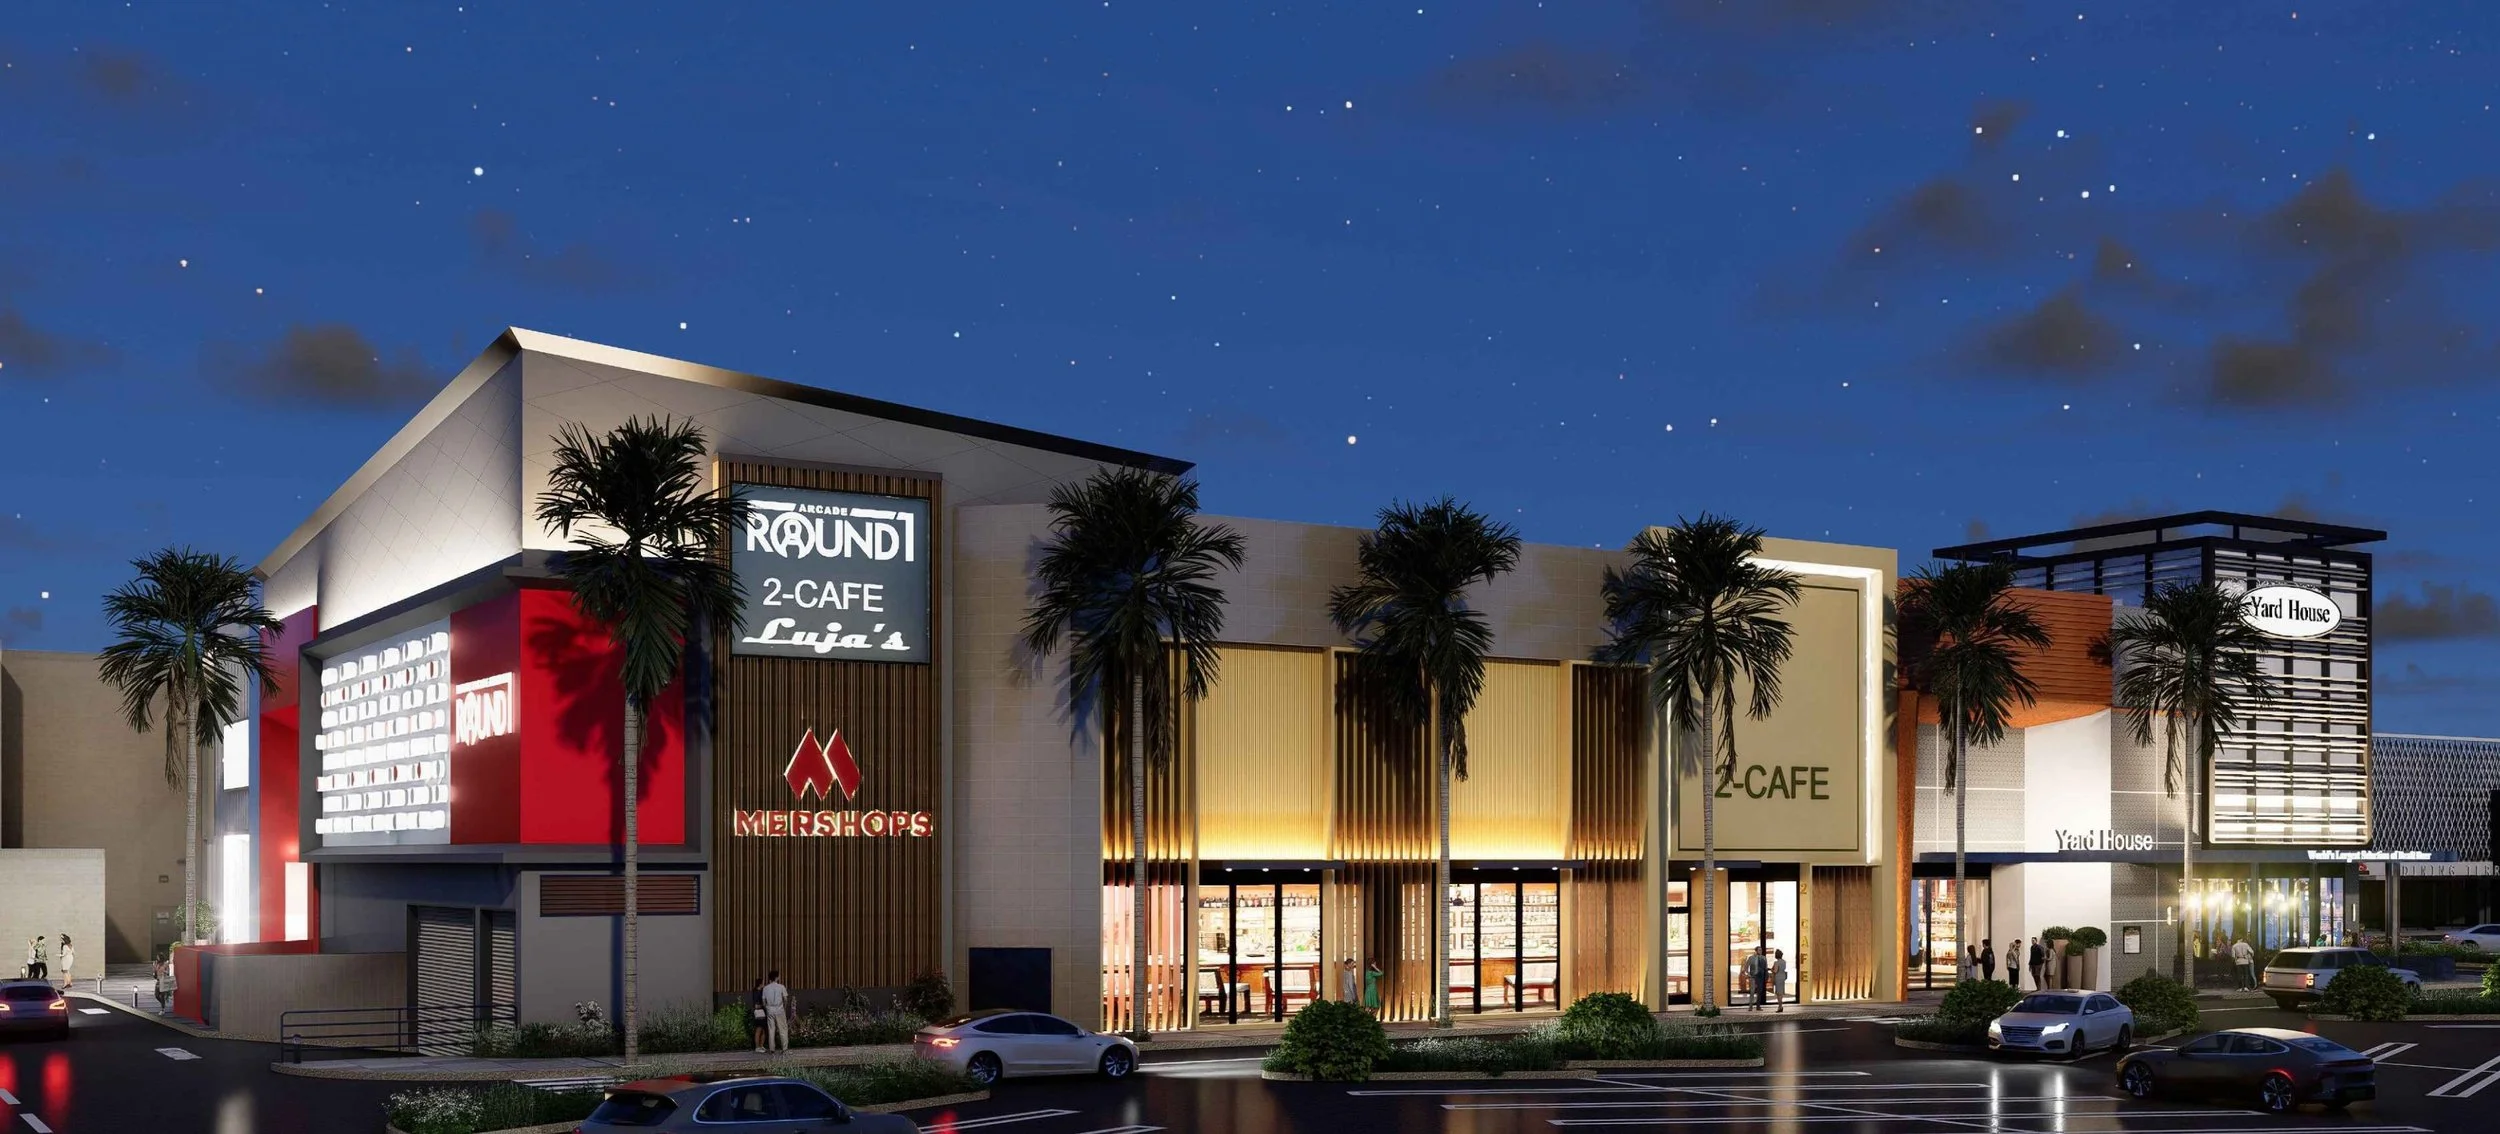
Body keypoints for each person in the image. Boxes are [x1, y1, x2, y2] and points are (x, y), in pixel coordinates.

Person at [761, 969, 790, 1053]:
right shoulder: (781, 987)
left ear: (769, 978)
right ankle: (784, 1049)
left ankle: (772, 1049)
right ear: (777, 977)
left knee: (771, 1029)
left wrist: (767, 1008)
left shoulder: (765, 988)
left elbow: (763, 1001)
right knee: (783, 1029)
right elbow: (785, 999)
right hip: (779, 1009)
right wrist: (784, 1007)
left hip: (770, 1009)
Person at [1745, 947, 1770, 1011]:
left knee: (1760, 992)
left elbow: (1766, 968)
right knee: (1752, 991)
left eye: (1761, 950)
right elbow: (1746, 967)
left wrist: (1766, 976)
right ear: (1756, 951)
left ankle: (1758, 1006)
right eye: (1759, 950)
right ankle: (1750, 1006)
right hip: (1753, 977)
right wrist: (1748, 974)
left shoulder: (1764, 958)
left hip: (1760, 977)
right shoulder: (1751, 958)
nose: (1761, 951)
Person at [749, 977, 768, 1052]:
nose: (764, 984)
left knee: (763, 1030)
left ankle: (761, 1045)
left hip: (763, 1012)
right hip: (759, 1012)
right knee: (759, 1029)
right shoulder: (756, 992)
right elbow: (756, 1005)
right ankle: (757, 1047)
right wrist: (764, 1005)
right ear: (760, 983)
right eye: (763, 982)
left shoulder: (762, 991)